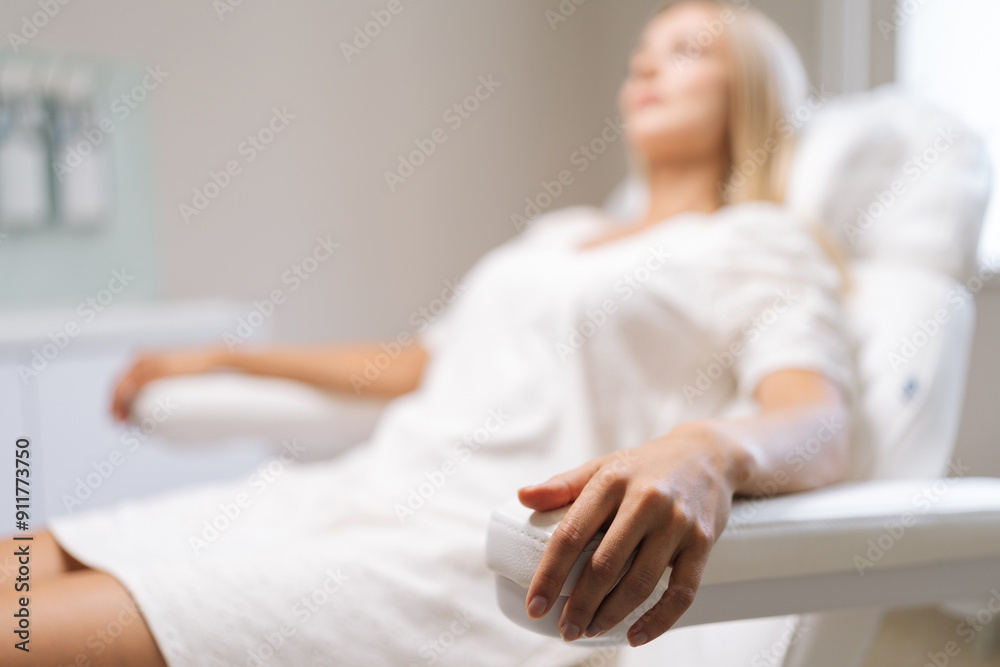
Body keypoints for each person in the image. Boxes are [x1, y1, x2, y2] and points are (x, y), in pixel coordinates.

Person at [1, 2, 858, 665]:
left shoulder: (760, 241)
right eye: (643, 53)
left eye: (689, 51)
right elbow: (419, 363)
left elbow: (815, 416)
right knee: (22, 563)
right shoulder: (561, 235)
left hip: (461, 552)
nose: (647, 66)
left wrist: (705, 452)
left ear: (751, 89)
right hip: (352, 494)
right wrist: (224, 352)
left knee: (24, 634)